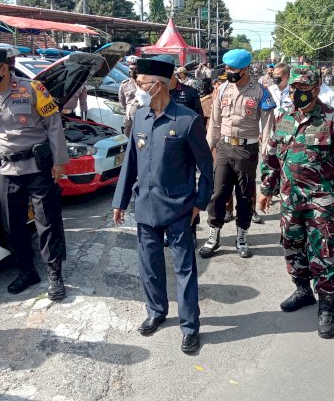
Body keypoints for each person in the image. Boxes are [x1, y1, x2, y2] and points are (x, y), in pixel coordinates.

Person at [111, 57, 214, 354]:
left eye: (141, 84)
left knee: (184, 270)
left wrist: (199, 203)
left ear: (158, 84)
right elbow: (130, 161)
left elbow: (206, 168)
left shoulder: (186, 120)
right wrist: (120, 201)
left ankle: (190, 326)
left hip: (179, 207)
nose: (138, 89)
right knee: (149, 266)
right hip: (145, 205)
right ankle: (156, 311)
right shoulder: (140, 117)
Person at [259, 65, 334, 338]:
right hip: (289, 198)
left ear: (316, 88)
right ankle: (302, 290)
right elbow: (272, 157)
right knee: (292, 244)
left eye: (304, 88)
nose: (298, 93)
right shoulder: (283, 117)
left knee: (323, 250)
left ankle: (326, 306)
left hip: (320, 200)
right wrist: (266, 190)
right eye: (295, 88)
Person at [0, 47, 70, 301]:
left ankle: (54, 272)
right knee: (13, 225)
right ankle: (27, 271)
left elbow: (54, 124)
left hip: (38, 168)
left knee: (47, 221)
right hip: (7, 170)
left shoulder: (32, 89)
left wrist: (59, 161)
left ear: (3, 68)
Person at [200, 48, 275, 259]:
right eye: (226, 67)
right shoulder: (223, 89)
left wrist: (269, 156)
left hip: (247, 149)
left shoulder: (261, 92)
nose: (228, 71)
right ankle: (213, 235)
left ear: (244, 69)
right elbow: (214, 123)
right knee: (218, 193)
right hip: (223, 147)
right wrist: (207, 151)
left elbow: (268, 127)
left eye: (232, 68)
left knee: (244, 195)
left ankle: (242, 236)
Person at [118, 55, 139, 137]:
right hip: (129, 119)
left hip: (143, 118)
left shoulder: (145, 84)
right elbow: (122, 101)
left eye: (135, 69)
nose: (133, 71)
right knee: (128, 139)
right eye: (131, 69)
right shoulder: (124, 84)